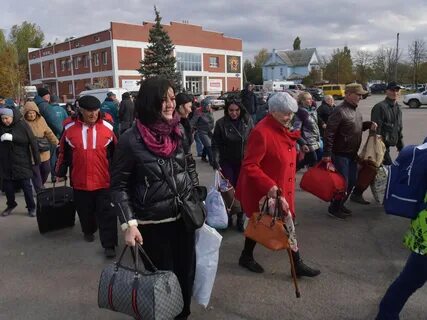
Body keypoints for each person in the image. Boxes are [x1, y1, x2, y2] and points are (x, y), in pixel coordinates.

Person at [110, 77, 196, 320]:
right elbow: (118, 186)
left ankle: (183, 315)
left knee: (185, 276)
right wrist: (129, 224)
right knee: (160, 283)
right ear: (150, 102)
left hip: (184, 219)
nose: (171, 104)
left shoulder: (178, 130)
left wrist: (195, 195)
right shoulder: (130, 139)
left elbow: (188, 165)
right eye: (164, 100)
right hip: (153, 226)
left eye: (172, 98)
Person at [235, 92, 320, 277]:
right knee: (281, 224)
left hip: (282, 187)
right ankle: (296, 264)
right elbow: (249, 164)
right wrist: (269, 185)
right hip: (266, 190)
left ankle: (246, 256)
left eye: (291, 113)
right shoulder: (261, 131)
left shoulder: (282, 127)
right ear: (272, 111)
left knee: (259, 223)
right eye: (284, 113)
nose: (289, 117)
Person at [56, 95, 118, 258]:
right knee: (85, 211)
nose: (92, 114)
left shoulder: (108, 127)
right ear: (80, 110)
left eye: (96, 111)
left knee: (107, 214)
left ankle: (109, 244)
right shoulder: (69, 128)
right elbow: (63, 151)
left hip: (104, 180)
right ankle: (88, 230)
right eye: (88, 111)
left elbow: (117, 153)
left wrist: (119, 174)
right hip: (80, 181)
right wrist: (60, 171)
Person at [376, 138, 427, 320]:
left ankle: (386, 314)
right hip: (425, 234)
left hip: (423, 232)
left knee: (410, 279)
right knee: (410, 278)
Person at [322, 84, 377, 219]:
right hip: (340, 154)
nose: (360, 97)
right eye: (358, 94)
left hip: (352, 154)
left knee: (352, 181)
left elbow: (354, 128)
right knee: (342, 184)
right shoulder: (339, 111)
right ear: (348, 94)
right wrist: (327, 154)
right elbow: (329, 133)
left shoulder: (356, 111)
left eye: (361, 95)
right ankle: (334, 208)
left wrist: (367, 125)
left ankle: (340, 204)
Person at [351, 82, 404, 205]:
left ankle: (382, 194)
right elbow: (375, 129)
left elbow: (398, 128)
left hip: (389, 145)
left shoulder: (398, 108)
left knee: (379, 171)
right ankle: (356, 193)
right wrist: (378, 148)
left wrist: (401, 147)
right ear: (387, 91)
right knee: (371, 169)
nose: (395, 92)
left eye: (397, 90)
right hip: (380, 146)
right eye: (392, 90)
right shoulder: (380, 107)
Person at [212, 99, 253, 231]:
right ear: (226, 110)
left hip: (243, 162)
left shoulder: (247, 122)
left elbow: (254, 141)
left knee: (241, 190)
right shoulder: (221, 123)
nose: (234, 113)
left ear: (241, 110)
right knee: (227, 190)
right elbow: (215, 144)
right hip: (226, 161)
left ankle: (240, 218)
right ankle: (228, 216)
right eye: (231, 110)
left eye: (236, 110)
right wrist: (215, 160)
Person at [0, 107, 40, 217]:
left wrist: (13, 137)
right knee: (8, 188)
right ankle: (11, 204)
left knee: (26, 187)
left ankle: (31, 207)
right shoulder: (1, 127)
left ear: (12, 117)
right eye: (2, 119)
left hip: (21, 162)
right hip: (6, 163)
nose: (5, 121)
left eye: (7, 118)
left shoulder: (22, 125)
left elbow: (30, 140)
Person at [22, 101, 59, 193]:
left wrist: (56, 142)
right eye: (29, 113)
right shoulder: (22, 123)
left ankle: (40, 184)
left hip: (43, 150)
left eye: (33, 112)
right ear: (25, 113)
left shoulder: (41, 119)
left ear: (37, 112)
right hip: (31, 152)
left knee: (46, 169)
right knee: (36, 173)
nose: (31, 115)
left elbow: (48, 131)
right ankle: (39, 189)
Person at [176, 92, 199, 186]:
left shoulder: (185, 123)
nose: (190, 110)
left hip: (187, 170)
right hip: (178, 174)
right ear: (180, 106)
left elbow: (188, 152)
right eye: (189, 107)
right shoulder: (173, 127)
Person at [294, 92, 321, 170]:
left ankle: (311, 177)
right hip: (307, 140)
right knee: (312, 159)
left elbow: (315, 123)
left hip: (315, 138)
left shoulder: (312, 110)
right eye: (309, 99)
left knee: (313, 160)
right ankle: (294, 170)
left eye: (311, 98)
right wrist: (302, 142)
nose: (311, 100)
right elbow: (296, 129)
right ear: (303, 101)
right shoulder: (300, 113)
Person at [48, 95, 68, 182]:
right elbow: (67, 121)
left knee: (53, 157)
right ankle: (61, 175)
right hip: (62, 135)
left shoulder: (48, 110)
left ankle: (53, 175)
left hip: (52, 137)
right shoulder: (62, 110)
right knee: (62, 155)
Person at [190, 99, 214, 165]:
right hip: (202, 132)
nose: (209, 107)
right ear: (203, 106)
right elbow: (192, 122)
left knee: (208, 144)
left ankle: (203, 157)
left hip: (209, 131)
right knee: (209, 146)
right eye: (207, 106)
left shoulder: (210, 111)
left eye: (210, 105)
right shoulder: (198, 112)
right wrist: (189, 129)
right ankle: (212, 161)